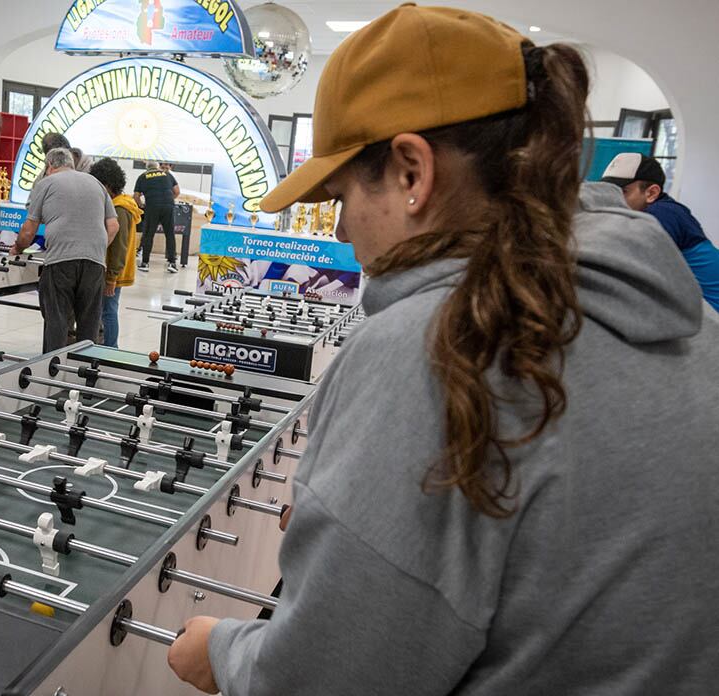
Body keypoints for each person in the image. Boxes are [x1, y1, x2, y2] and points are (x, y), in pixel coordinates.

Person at [168, 5, 719, 695]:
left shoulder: (435, 345)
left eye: (341, 195)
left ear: (410, 172)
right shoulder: (691, 318)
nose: (341, 230)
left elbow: (326, 679)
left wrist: (223, 653)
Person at [13, 148, 118, 352]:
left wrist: (17, 247)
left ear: (49, 166)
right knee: (89, 326)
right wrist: (93, 246)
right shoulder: (95, 183)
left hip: (60, 263)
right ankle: (87, 374)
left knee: (57, 323)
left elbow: (29, 229)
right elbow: (113, 226)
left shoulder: (46, 183)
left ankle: (51, 373)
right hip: (95, 263)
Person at [601, 152, 719, 311]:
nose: (611, 199)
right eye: (609, 191)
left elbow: (630, 269)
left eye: (623, 192)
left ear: (651, 193)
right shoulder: (660, 211)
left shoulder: (662, 214)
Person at [89, 157, 141, 348]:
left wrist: (111, 277)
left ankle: (111, 348)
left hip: (113, 270)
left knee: (109, 311)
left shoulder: (119, 208)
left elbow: (120, 246)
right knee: (107, 310)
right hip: (114, 269)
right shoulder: (122, 203)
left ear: (108, 185)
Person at [134, 159, 180, 273]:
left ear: (147, 168)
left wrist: (142, 205)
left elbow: (136, 196)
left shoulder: (142, 176)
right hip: (168, 206)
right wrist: (169, 200)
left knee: (148, 234)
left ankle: (145, 263)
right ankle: (172, 263)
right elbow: (177, 191)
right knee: (170, 234)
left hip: (152, 206)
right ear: (157, 167)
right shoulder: (167, 174)